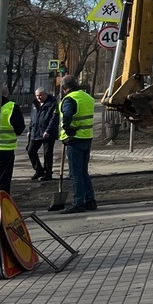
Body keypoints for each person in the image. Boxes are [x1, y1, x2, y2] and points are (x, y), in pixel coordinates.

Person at [57, 73, 97, 214]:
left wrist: (67, 127)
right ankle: (90, 201)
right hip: (87, 138)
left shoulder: (69, 99)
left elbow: (67, 115)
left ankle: (78, 202)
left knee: (75, 174)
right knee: (83, 172)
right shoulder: (87, 97)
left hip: (74, 140)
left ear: (64, 87)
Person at [26, 87, 59, 180]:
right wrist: (30, 129)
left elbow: (54, 119)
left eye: (40, 95)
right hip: (35, 131)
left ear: (46, 94)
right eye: (37, 95)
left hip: (48, 133)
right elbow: (33, 118)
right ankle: (38, 170)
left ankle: (48, 173)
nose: (38, 97)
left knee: (47, 153)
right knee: (30, 150)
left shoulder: (52, 103)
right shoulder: (34, 104)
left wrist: (48, 130)